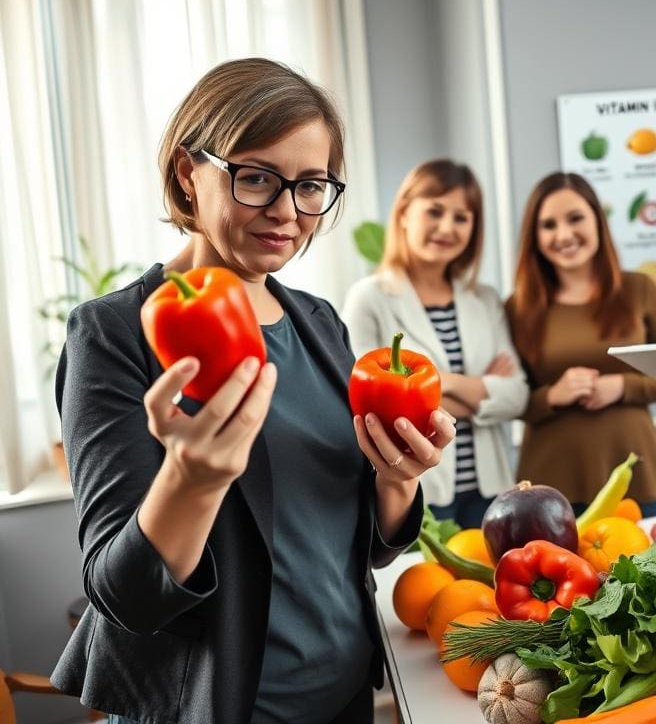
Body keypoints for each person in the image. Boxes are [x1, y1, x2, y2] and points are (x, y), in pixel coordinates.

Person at [51, 58, 454, 724]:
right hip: (218, 708)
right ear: (188, 172)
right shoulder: (114, 333)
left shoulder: (319, 323)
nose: (288, 212)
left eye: (311, 186)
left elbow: (357, 541)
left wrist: (397, 478)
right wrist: (193, 481)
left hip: (348, 697)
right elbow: (125, 597)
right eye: (258, 178)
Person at [341, 159, 527, 528]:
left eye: (461, 217)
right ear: (405, 214)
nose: (447, 227)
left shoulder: (485, 299)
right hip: (417, 488)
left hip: (491, 493)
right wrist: (479, 386)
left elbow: (517, 395)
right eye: (435, 211)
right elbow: (367, 403)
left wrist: (432, 384)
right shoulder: (370, 297)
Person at [506, 171, 656, 517]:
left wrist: (622, 386)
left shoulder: (639, 289)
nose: (564, 235)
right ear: (534, 236)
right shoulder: (516, 308)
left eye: (575, 218)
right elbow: (508, 398)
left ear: (597, 221)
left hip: (634, 473)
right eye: (548, 225)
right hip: (549, 483)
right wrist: (552, 395)